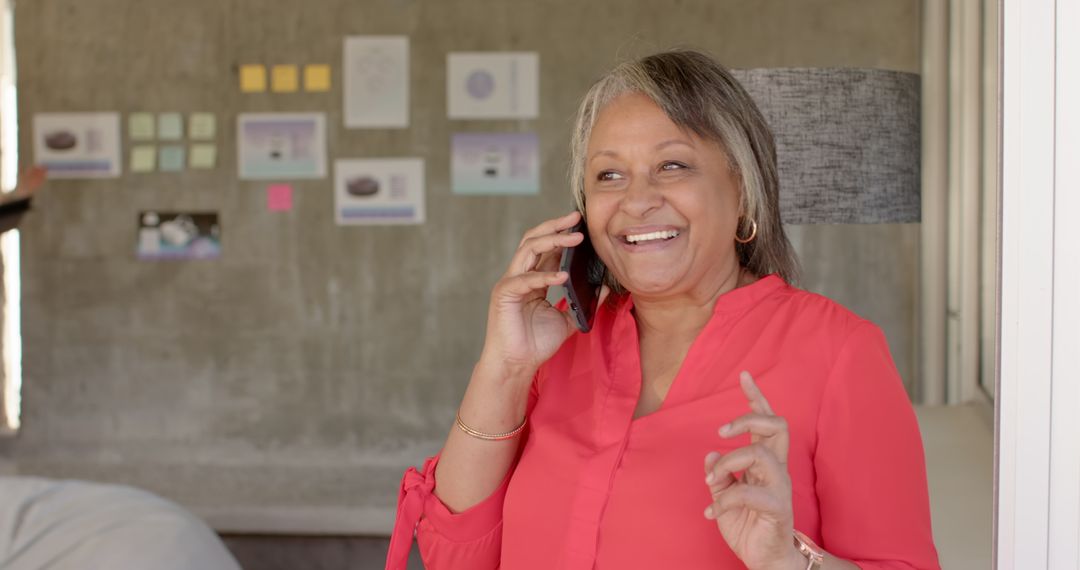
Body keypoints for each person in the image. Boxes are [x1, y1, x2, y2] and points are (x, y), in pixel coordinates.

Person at [385, 50, 939, 570]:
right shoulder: (558, 348)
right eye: (609, 175)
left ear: (743, 191)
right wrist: (504, 368)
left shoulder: (839, 353)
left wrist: (786, 562)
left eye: (672, 165)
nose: (636, 199)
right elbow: (453, 554)